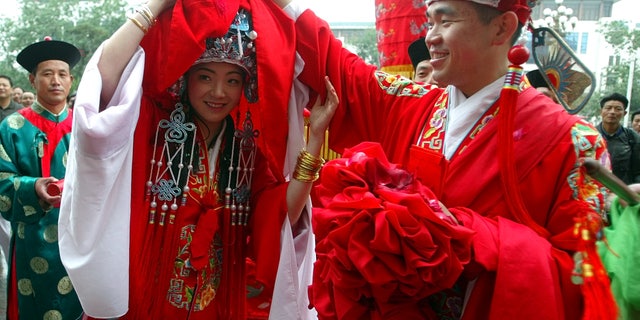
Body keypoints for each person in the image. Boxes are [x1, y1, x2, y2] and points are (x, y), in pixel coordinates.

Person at [275, 0, 615, 319]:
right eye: (430, 21)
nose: (431, 37)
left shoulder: (575, 143)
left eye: (446, 20)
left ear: (501, 28)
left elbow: (588, 280)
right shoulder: (413, 106)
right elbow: (338, 69)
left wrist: (476, 238)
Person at [59, 0, 333, 319]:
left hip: (217, 301)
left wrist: (314, 141)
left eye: (232, 80)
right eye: (205, 77)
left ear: (246, 86)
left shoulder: (246, 149)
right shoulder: (150, 127)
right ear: (186, 78)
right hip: (144, 293)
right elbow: (105, 78)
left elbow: (281, 213)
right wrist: (157, 5)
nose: (219, 92)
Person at [0, 39, 82, 319]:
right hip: (32, 238)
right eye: (47, 74)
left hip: (79, 235)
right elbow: (2, 181)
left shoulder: (86, 125)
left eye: (62, 74)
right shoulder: (12, 126)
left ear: (71, 80)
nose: (55, 81)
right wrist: (32, 186)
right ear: (33, 80)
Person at [596, 92, 640, 185]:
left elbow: (637, 172)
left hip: (621, 193)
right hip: (593, 192)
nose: (612, 112)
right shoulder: (589, 134)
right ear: (601, 111)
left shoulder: (632, 137)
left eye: (618, 109)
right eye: (608, 108)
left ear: (624, 113)